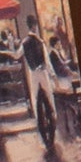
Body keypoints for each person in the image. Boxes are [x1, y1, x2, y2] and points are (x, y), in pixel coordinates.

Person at [18, 14, 58, 142]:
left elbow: (17, 55)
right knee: (49, 97)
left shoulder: (24, 43)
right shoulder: (40, 42)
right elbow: (47, 62)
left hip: (33, 75)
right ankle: (53, 118)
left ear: (28, 26)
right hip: (43, 73)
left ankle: (39, 123)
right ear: (35, 26)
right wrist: (54, 76)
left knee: (35, 99)